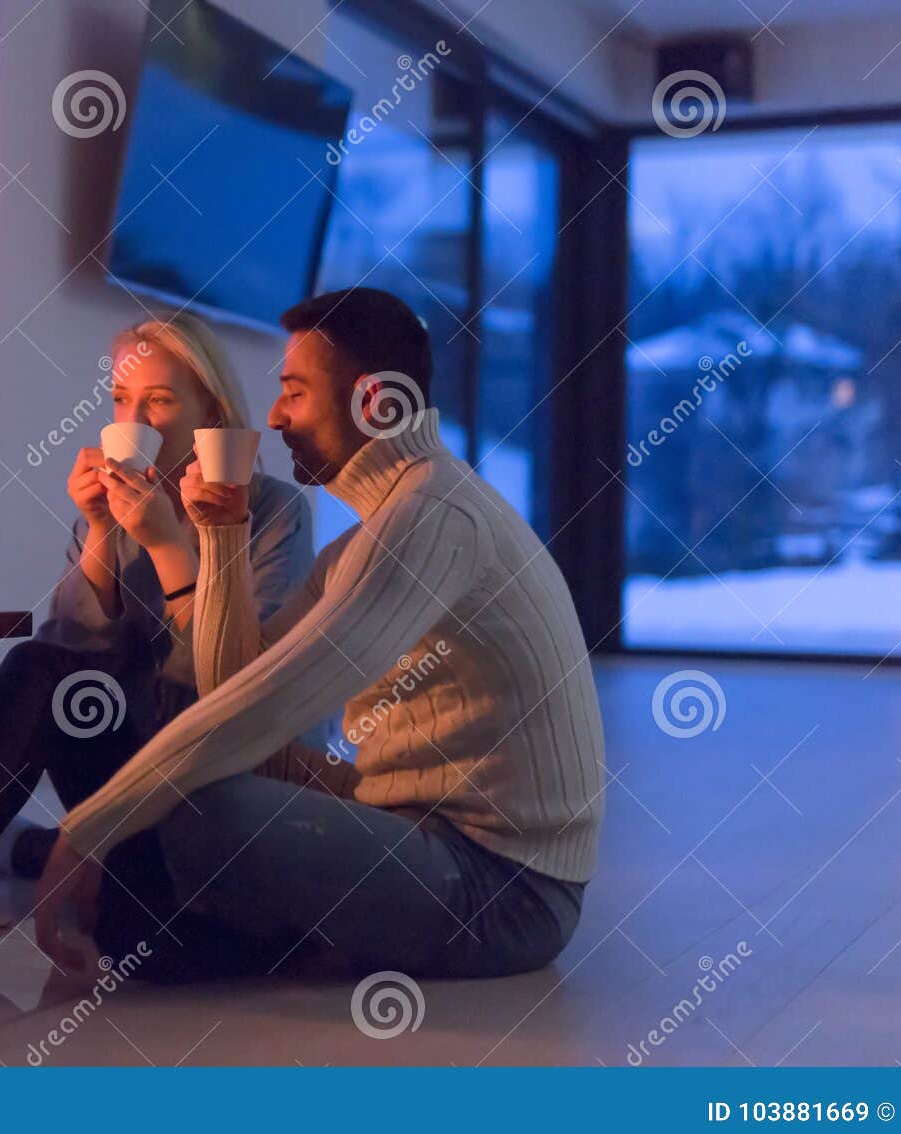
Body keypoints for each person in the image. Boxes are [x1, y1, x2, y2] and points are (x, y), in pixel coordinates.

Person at [33, 288, 607, 982]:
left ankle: (185, 923)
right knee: (195, 770)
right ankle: (168, 915)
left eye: (296, 393)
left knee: (205, 806)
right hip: (408, 819)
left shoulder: (431, 519)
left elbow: (266, 706)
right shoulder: (380, 527)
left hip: (504, 891)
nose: (274, 417)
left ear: (374, 403)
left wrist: (85, 830)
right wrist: (221, 531)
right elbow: (231, 682)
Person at [0, 314, 313, 940]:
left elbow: (235, 685)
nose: (133, 423)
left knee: (135, 925)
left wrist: (164, 545)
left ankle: (37, 850)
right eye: (121, 400)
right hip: (119, 759)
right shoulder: (117, 507)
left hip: (212, 772)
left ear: (211, 410)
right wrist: (102, 531)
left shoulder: (273, 511)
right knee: (31, 663)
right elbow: (65, 657)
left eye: (158, 400)